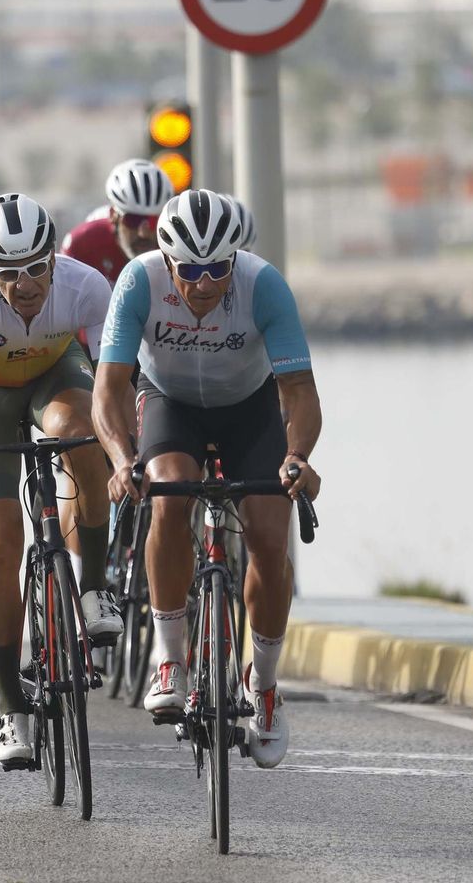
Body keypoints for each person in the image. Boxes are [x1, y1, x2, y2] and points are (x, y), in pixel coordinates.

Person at [92, 189, 322, 770]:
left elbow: (299, 393)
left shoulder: (262, 284)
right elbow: (109, 389)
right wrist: (122, 460)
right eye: (189, 270)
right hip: (171, 404)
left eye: (216, 269)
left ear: (234, 261)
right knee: (168, 499)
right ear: (168, 261)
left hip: (250, 408)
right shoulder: (139, 282)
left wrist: (296, 456)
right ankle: (171, 658)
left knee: (271, 538)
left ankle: (264, 683)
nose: (202, 283)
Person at [0, 193, 123, 764]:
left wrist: (125, 450)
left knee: (81, 432)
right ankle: (10, 707)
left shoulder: (87, 286)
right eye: (9, 273)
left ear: (53, 258)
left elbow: (116, 380)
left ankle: (93, 586)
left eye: (37, 268)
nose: (25, 284)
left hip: (54, 377)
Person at [59, 159, 175, 285]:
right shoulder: (82, 244)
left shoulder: (175, 245)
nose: (143, 233)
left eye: (154, 221)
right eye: (133, 220)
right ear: (113, 216)